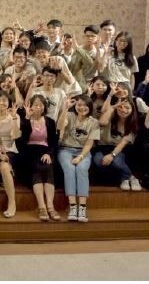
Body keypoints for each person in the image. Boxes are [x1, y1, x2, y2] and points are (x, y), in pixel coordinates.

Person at [57, 95, 100, 223]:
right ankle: (72, 206)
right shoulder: (69, 116)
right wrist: (65, 108)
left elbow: (89, 143)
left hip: (83, 151)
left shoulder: (94, 122)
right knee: (69, 169)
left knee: (81, 169)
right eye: (79, 105)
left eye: (85, 105)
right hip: (65, 148)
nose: (81, 107)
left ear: (90, 107)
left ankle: (82, 207)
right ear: (75, 106)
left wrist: (81, 156)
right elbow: (59, 127)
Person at [18, 95, 60, 222]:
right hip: (28, 153)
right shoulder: (25, 121)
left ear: (44, 107)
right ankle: (42, 206)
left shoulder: (50, 121)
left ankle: (50, 206)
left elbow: (54, 142)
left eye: (41, 105)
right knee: (37, 167)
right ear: (30, 106)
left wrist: (49, 154)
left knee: (48, 166)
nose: (38, 107)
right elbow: (22, 142)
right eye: (35, 104)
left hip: (45, 151)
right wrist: (26, 119)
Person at [93, 98, 141, 191]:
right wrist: (112, 108)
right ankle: (129, 177)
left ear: (132, 110)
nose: (123, 110)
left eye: (127, 108)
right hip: (102, 146)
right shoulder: (111, 116)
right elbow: (102, 122)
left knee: (117, 162)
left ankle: (128, 177)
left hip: (118, 149)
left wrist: (112, 155)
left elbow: (123, 143)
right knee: (98, 161)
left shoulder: (133, 124)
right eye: (120, 107)